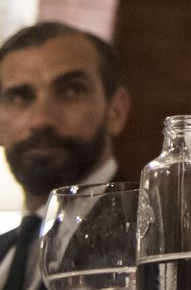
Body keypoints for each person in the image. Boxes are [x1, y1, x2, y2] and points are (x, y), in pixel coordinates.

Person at [0, 22, 132, 290]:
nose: (41, 120)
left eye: (71, 91)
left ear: (115, 111)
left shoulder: (157, 240)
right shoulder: (4, 252)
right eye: (19, 97)